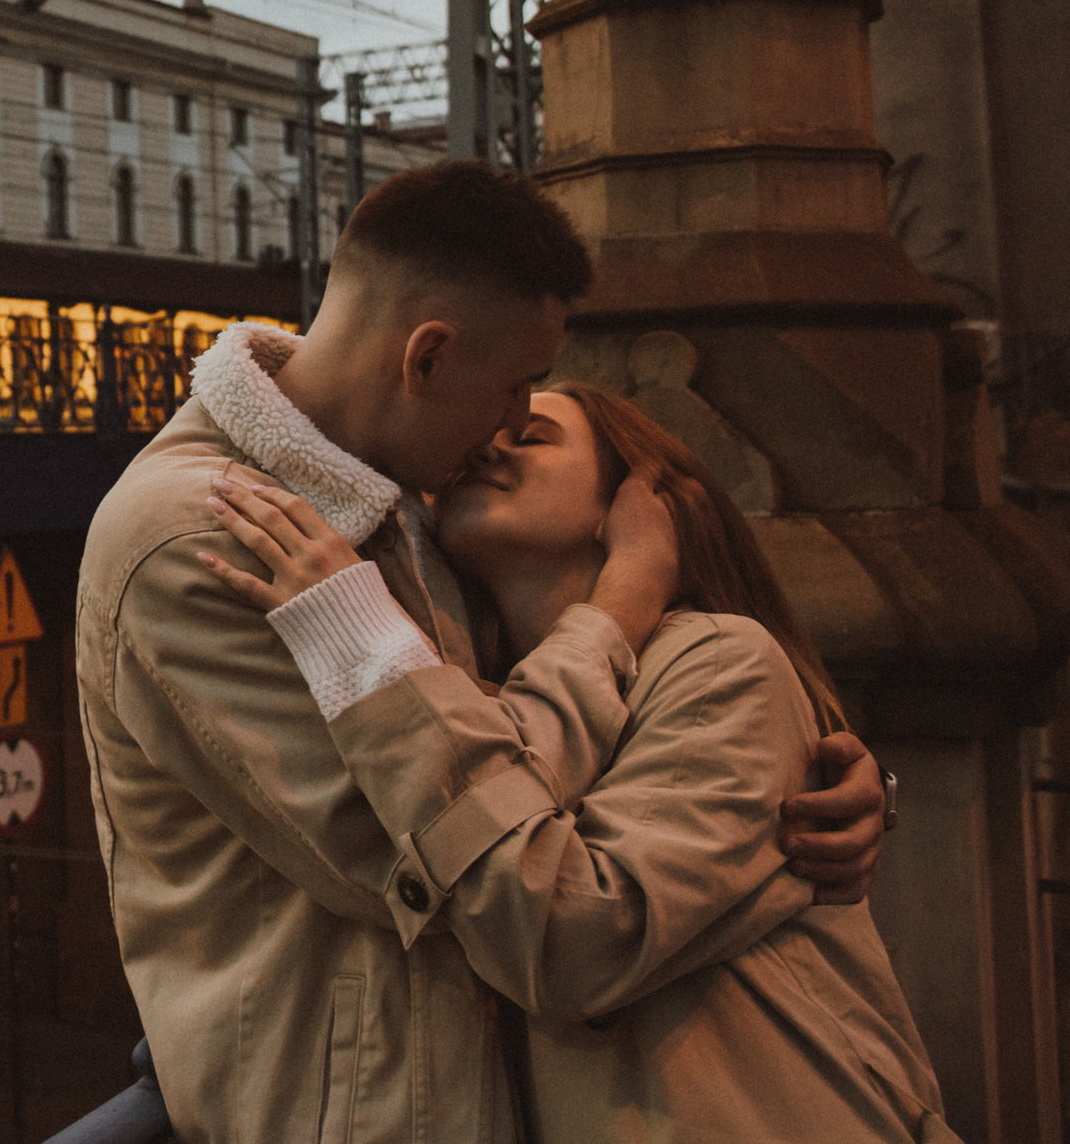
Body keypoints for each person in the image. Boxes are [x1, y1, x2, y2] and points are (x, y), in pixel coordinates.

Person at [74, 161, 884, 1144]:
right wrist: (614, 613)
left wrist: (806, 778)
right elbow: (472, 858)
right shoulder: (210, 537)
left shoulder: (403, 511)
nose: (509, 422)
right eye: (513, 387)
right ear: (426, 358)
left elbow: (505, 765)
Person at [198, 382, 953, 1142]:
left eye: (532, 437)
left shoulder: (719, 657)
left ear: (636, 508)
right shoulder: (483, 693)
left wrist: (364, 649)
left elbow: (568, 943)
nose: (487, 447)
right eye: (479, 438)